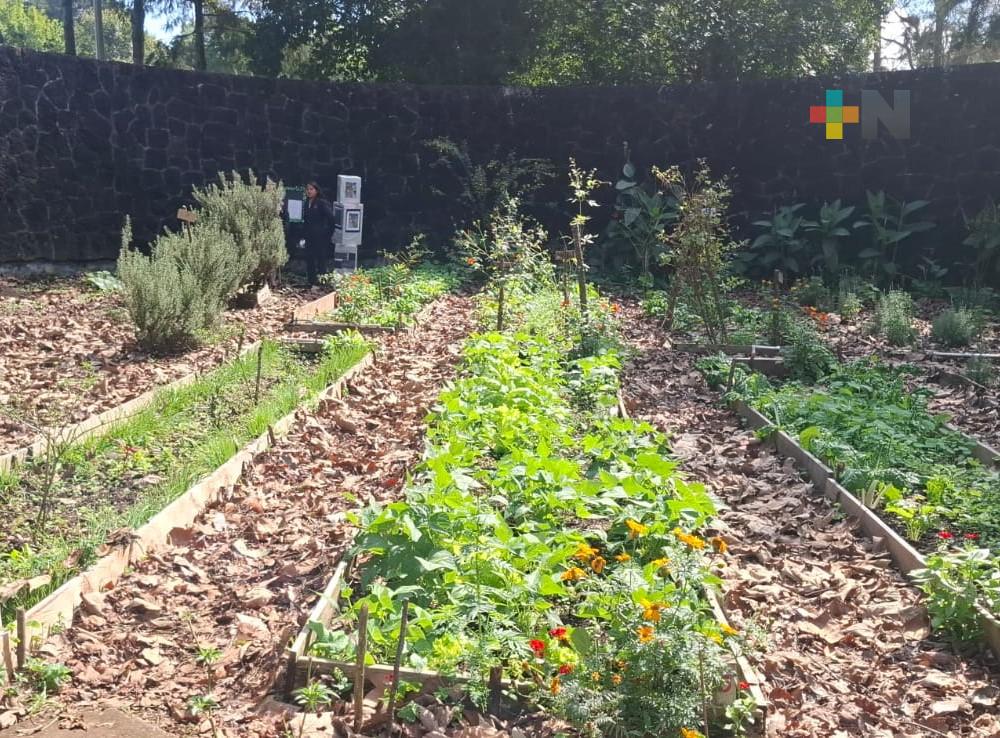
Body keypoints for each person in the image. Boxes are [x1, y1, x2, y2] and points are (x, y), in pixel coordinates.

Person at [303, 181, 336, 286]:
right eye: (307, 189)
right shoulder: (306, 203)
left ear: (316, 191)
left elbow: (331, 218)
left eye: (311, 189)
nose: (309, 191)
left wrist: (327, 233)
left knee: (320, 258)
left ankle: (322, 281)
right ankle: (311, 281)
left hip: (320, 236)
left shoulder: (321, 203)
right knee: (309, 258)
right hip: (309, 235)